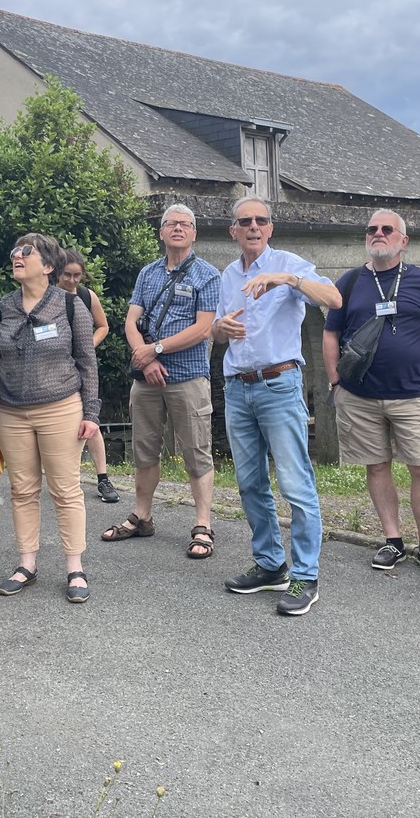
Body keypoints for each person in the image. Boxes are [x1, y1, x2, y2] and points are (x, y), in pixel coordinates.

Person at [212, 196, 341, 616]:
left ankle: (306, 576)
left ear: (270, 228)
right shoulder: (228, 275)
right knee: (249, 483)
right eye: (245, 221)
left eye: (261, 220)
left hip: (279, 384)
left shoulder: (289, 263)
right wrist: (219, 328)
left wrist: (287, 279)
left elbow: (334, 298)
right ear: (233, 230)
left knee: (295, 483)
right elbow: (217, 330)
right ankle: (270, 565)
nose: (253, 226)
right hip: (238, 388)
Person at [321, 209, 420, 577]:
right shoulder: (350, 281)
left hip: (412, 394)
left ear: (403, 241)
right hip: (359, 396)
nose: (378, 233)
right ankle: (392, 540)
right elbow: (331, 333)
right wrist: (335, 382)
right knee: (377, 466)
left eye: (386, 229)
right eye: (372, 229)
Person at [0, 232, 101, 603]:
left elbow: (87, 362)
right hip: (9, 413)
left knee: (65, 489)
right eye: (15, 251)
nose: (17, 256)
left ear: (47, 266)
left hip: (61, 408)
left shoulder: (70, 305)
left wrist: (91, 412)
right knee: (23, 489)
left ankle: (74, 567)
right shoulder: (3, 307)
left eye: (26, 252)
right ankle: (26, 564)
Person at [102, 204, 221, 558]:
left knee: (196, 452)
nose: (178, 228)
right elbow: (131, 321)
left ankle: (203, 525)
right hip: (147, 379)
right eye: (171, 223)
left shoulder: (207, 275)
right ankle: (142, 516)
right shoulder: (148, 273)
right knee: (144, 449)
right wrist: (146, 357)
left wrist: (156, 349)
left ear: (194, 232)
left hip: (188, 377)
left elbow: (203, 328)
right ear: (161, 232)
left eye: (185, 224)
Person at [56, 248, 118, 504]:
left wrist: (87, 346)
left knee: (90, 419)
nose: (72, 280)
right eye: (67, 275)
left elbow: (103, 326)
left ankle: (103, 478)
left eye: (77, 275)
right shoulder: (47, 296)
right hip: (55, 368)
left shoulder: (86, 295)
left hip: (82, 366)